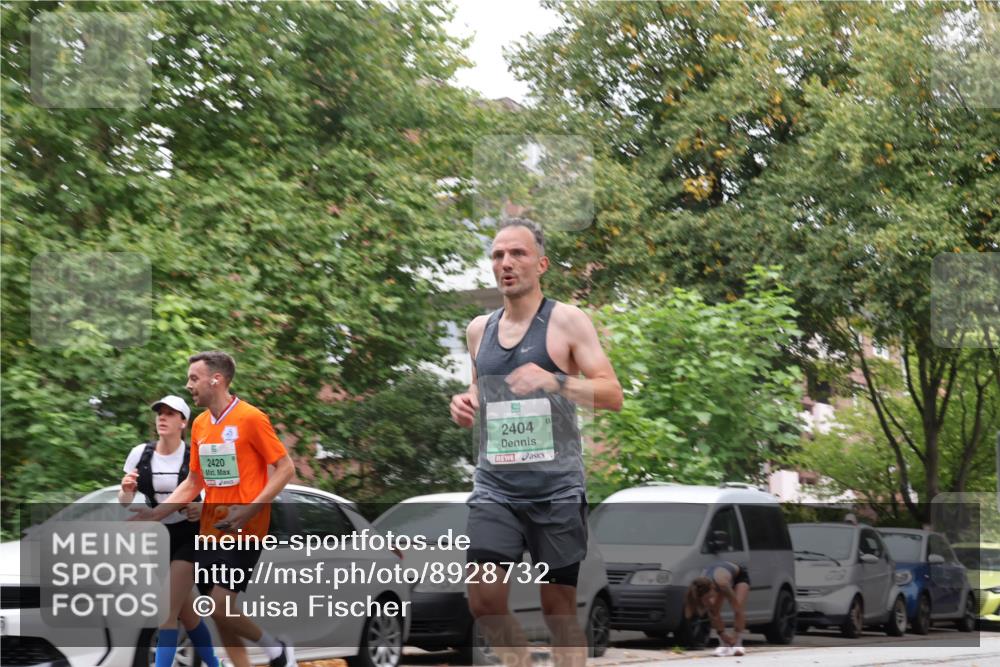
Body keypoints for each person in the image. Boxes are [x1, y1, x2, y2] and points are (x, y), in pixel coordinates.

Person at [449, 218, 623, 667]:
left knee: (558, 610)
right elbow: (479, 390)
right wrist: (466, 404)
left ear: (541, 264)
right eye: (498, 255)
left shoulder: (565, 321)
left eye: (518, 254)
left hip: (556, 490)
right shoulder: (478, 329)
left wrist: (557, 381)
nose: (506, 263)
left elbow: (612, 394)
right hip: (496, 489)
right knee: (483, 602)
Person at [131, 351, 297, 667]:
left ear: (216, 379)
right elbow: (194, 481)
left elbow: (286, 468)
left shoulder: (251, 418)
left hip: (245, 528)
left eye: (194, 378)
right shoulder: (201, 425)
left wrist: (249, 509)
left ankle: (276, 650)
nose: (188, 385)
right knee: (220, 615)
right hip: (211, 530)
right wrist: (157, 513)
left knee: (220, 606)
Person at [119, 394, 220, 667]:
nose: (162, 417)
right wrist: (126, 491)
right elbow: (124, 500)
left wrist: (203, 509)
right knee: (187, 615)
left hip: (191, 537)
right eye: (159, 413)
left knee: (167, 611)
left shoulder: (198, 454)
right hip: (157, 540)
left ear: (183, 422)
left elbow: (222, 496)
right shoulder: (140, 453)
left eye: (170, 413)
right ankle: (215, 664)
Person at [683, 561, 751, 657]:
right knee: (713, 610)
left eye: (708, 597)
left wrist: (735, 636)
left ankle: (738, 644)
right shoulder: (700, 586)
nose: (708, 600)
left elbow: (737, 610)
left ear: (712, 588)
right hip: (718, 577)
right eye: (705, 599)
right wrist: (723, 635)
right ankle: (724, 645)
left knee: (738, 605)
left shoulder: (722, 584)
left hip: (739, 576)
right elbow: (713, 613)